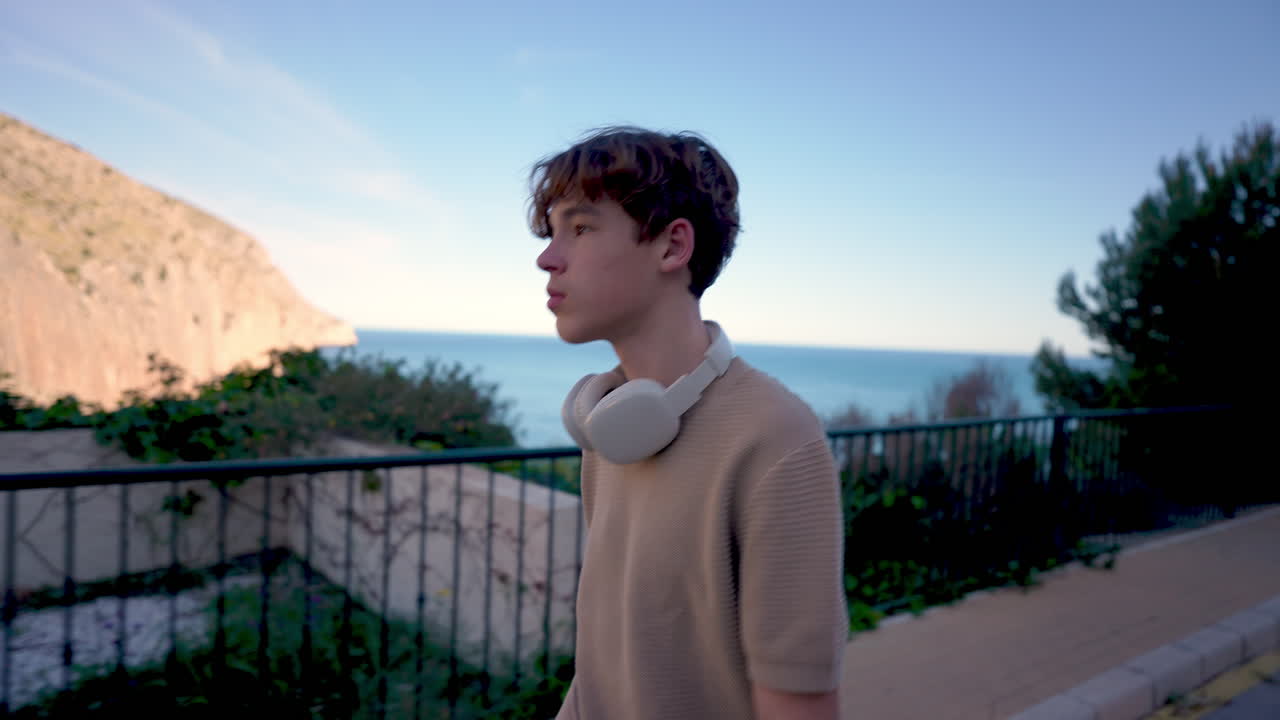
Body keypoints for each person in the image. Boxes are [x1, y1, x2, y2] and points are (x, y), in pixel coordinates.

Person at [530, 127, 848, 720]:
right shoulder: (611, 430)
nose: (547, 258)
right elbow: (605, 672)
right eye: (551, 232)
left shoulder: (778, 441)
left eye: (581, 228)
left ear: (672, 246)